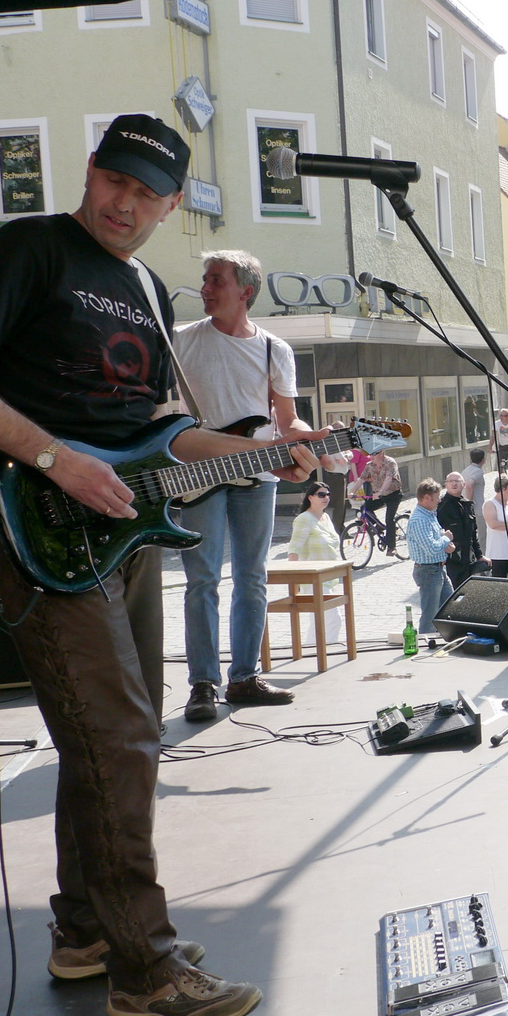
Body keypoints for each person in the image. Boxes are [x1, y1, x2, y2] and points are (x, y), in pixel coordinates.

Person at [0, 115, 320, 1016]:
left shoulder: (145, 287)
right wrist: (55, 459)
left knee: (104, 743)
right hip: (43, 531)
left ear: (172, 205)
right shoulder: (31, 250)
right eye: (114, 180)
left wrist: (264, 452)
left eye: (147, 192)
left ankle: (88, 929)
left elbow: (163, 436)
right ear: (89, 172)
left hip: (123, 536)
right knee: (124, 738)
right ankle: (146, 971)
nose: (125, 203)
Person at [176, 249, 339, 722]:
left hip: (258, 473)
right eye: (205, 279)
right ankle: (203, 684)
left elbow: (287, 421)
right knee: (202, 580)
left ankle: (244, 677)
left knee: (252, 576)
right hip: (197, 473)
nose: (205, 288)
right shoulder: (182, 340)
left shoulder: (274, 349)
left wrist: (311, 439)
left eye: (216, 281)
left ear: (245, 291)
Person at [405, 479, 455, 639]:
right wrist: (446, 539)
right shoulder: (420, 519)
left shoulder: (429, 514)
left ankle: (444, 639)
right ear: (426, 498)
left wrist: (446, 544)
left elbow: (436, 539)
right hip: (428, 571)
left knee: (449, 609)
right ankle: (425, 644)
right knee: (430, 616)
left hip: (438, 569)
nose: (439, 500)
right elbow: (431, 548)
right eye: (437, 497)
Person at [438, 471, 485, 590]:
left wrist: (479, 555)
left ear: (463, 484)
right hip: (451, 560)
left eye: (457, 481)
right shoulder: (441, 506)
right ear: (446, 484)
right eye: (450, 481)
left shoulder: (467, 504)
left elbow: (473, 534)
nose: (454, 484)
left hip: (468, 559)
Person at [285, 483, 342, 566]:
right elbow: (294, 550)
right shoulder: (304, 519)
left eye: (328, 494)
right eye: (321, 495)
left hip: (331, 571)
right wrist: (293, 572)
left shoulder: (326, 517)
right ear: (310, 498)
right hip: (312, 572)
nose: (326, 497)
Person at [362, 448, 404, 556]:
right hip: (380, 495)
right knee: (365, 508)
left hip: (393, 494)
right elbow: (361, 479)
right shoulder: (369, 465)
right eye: (370, 454)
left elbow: (389, 478)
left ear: (381, 453)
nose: (371, 457)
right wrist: (352, 492)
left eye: (374, 454)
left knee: (389, 519)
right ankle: (378, 525)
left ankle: (392, 547)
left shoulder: (390, 463)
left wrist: (380, 491)